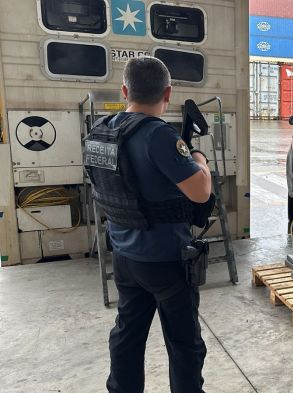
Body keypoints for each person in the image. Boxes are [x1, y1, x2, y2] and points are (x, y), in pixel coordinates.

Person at [84, 57, 211, 392]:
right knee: (185, 346)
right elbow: (200, 193)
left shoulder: (102, 131)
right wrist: (200, 160)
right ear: (167, 93)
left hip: (124, 257)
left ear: (125, 90)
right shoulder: (158, 136)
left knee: (127, 336)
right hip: (166, 260)